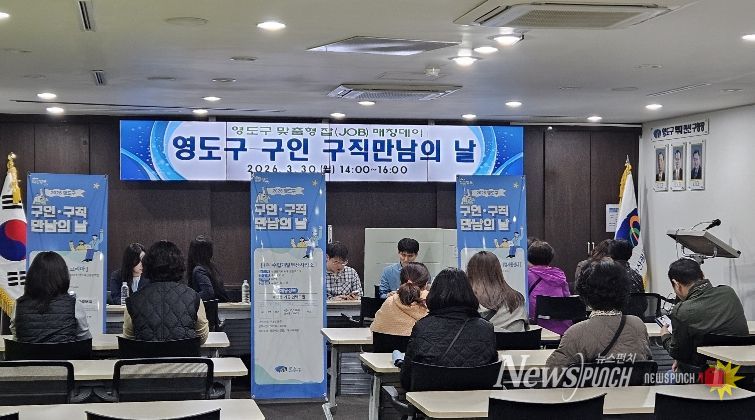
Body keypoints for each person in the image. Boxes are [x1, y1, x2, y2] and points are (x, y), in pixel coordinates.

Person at [400, 268, 497, 389]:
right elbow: (493, 373)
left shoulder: (422, 327)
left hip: (430, 399)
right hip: (477, 399)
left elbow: (406, 379)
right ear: (469, 293)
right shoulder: (486, 328)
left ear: (434, 294)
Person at [546, 258, 651, 366]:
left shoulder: (574, 334)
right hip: (632, 377)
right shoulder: (638, 325)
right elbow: (647, 361)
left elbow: (554, 372)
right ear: (624, 291)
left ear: (584, 293)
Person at [661, 258, 747, 370]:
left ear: (676, 284)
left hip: (704, 375)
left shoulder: (682, 311)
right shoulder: (729, 293)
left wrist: (665, 336)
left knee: (665, 377)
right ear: (702, 274)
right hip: (740, 372)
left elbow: (678, 353)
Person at [123, 240, 209, 344]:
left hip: (145, 355)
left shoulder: (132, 301)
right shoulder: (194, 298)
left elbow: (128, 339)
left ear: (147, 266)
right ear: (179, 265)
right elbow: (202, 337)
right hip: (183, 354)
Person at [11, 251, 91, 343]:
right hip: (66, 352)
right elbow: (85, 339)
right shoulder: (74, 305)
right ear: (63, 276)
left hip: (27, 353)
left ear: (32, 276)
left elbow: (17, 337)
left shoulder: (19, 305)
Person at [466, 251, 527, 332]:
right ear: (498, 270)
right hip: (513, 340)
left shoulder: (465, 300)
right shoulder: (517, 299)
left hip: (478, 339)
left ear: (470, 271)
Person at [370, 262, 430, 336]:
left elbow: (375, 328)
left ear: (401, 282)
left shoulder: (389, 302)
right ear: (426, 284)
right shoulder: (430, 304)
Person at [527, 240, 572, 335]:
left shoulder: (527, 276)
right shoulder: (559, 275)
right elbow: (567, 298)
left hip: (537, 328)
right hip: (563, 328)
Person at [186, 235, 229, 302]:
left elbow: (208, 293)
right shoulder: (210, 267)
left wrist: (188, 299)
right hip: (220, 306)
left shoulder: (199, 270)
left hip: (209, 307)